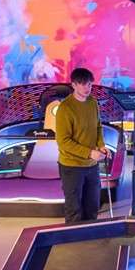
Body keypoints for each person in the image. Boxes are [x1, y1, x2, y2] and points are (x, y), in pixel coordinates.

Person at [53, 67, 107, 224]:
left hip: (92, 166)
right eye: (82, 84)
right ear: (74, 85)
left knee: (92, 206)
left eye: (89, 84)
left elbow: (98, 127)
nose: (86, 88)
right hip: (71, 166)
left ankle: (88, 237)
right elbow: (63, 142)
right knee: (74, 209)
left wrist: (101, 145)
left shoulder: (93, 103)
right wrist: (90, 153)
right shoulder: (65, 108)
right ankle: (73, 242)